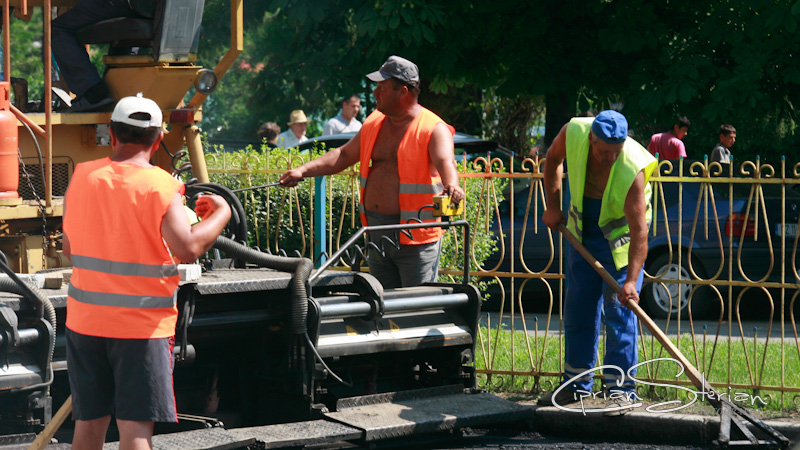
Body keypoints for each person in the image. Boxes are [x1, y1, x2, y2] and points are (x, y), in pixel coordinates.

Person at [62, 94, 231, 450]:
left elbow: (69, 249)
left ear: (111, 134)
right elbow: (187, 248)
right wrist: (222, 213)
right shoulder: (161, 185)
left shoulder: (82, 176)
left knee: (88, 430)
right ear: (157, 140)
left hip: (85, 323)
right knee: (135, 434)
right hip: (140, 328)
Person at [279, 55, 465, 288]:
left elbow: (446, 161)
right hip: (376, 233)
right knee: (380, 307)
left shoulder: (432, 127)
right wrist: (302, 170)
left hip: (416, 238)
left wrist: (453, 184)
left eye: (382, 88)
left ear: (403, 91)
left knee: (416, 308)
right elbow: (344, 155)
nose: (375, 93)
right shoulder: (373, 122)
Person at [539, 110, 657, 415]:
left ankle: (621, 389)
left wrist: (631, 281)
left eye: (614, 153)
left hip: (620, 249)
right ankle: (576, 384)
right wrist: (553, 206)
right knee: (579, 309)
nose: (609, 159)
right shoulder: (575, 131)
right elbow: (552, 160)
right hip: (581, 237)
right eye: (604, 152)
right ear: (592, 139)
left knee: (620, 314)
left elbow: (639, 232)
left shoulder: (632, 167)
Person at [51, 0, 153, 112]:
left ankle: (91, 91)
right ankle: (117, 94)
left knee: (57, 30)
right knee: (124, 35)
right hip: (152, 8)